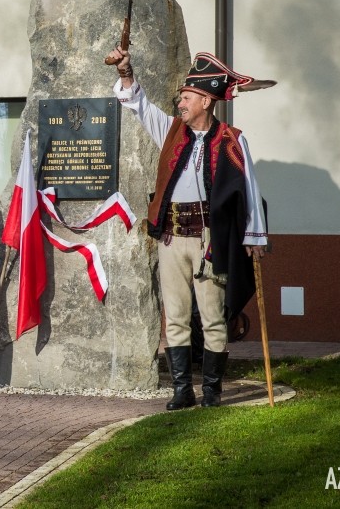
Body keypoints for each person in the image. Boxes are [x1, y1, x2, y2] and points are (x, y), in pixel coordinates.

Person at [110, 46, 270, 409]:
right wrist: (125, 72)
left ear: (205, 100)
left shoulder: (232, 139)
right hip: (171, 238)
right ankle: (182, 390)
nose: (180, 103)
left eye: (186, 97)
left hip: (208, 240)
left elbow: (250, 189)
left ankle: (212, 391)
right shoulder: (170, 131)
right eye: (181, 97)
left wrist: (255, 237)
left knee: (213, 318)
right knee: (176, 317)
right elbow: (137, 104)